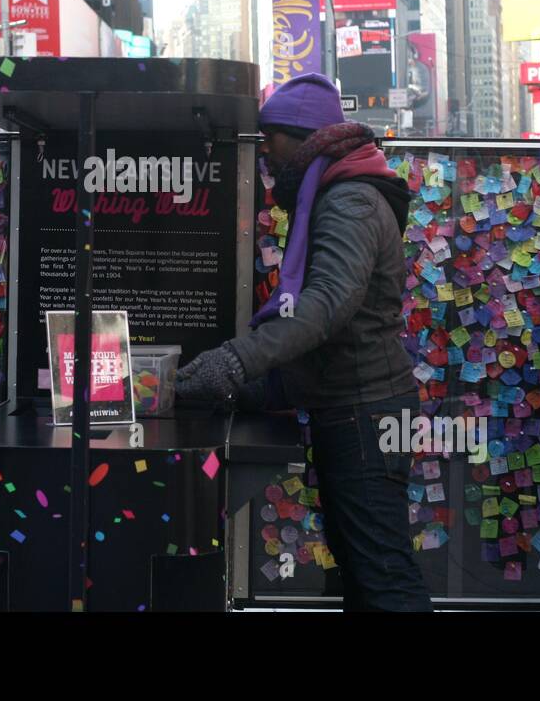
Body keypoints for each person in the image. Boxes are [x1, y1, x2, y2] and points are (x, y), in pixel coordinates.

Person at [175, 73, 432, 611]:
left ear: (306, 135)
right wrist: (256, 386)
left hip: (365, 412)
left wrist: (237, 359)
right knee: (363, 572)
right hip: (355, 408)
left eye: (272, 134)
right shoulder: (336, 193)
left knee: (382, 575)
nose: (264, 147)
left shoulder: (350, 202)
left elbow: (326, 307)